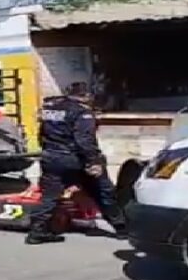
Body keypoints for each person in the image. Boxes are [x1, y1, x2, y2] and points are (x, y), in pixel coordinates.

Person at [27, 83, 127, 245]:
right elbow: (84, 140)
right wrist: (93, 161)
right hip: (76, 159)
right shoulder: (82, 112)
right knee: (103, 191)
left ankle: (37, 231)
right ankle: (121, 228)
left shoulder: (51, 108)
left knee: (49, 196)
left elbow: (42, 134)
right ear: (86, 96)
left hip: (51, 157)